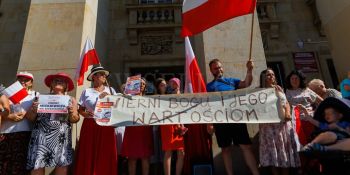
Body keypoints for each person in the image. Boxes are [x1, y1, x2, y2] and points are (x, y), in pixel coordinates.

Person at [206, 59, 259, 175]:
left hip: (236, 119)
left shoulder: (231, 81)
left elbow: (246, 83)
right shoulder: (208, 86)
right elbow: (208, 106)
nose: (219, 69)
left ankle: (256, 173)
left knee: (246, 146)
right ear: (211, 71)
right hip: (220, 121)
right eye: (216, 68)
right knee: (225, 149)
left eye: (220, 67)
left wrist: (250, 70)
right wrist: (209, 123)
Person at [26, 72, 79, 175]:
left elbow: (75, 119)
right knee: (37, 164)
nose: (58, 81)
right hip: (41, 136)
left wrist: (72, 112)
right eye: (55, 80)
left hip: (61, 137)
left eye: (62, 81)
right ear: (51, 85)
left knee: (62, 164)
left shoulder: (71, 100)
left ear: (66, 86)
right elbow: (30, 118)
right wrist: (33, 110)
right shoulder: (40, 98)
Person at [74, 66, 118, 175]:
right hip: (90, 124)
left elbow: (118, 108)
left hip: (106, 125)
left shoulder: (111, 90)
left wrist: (110, 97)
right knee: (88, 151)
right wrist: (85, 113)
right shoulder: (86, 91)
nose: (104, 76)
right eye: (101, 74)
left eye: (104, 74)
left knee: (105, 151)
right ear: (94, 77)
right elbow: (80, 109)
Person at [259, 69, 301, 175]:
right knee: (273, 154)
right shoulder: (258, 91)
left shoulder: (279, 88)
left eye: (273, 74)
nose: (271, 76)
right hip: (269, 127)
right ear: (263, 77)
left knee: (284, 152)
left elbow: (286, 102)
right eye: (268, 75)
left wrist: (287, 113)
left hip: (283, 126)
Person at [0, 72, 39, 175]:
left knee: (21, 165)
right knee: (4, 164)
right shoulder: (6, 94)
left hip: (25, 133)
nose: (23, 81)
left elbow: (35, 118)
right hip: (5, 133)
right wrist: (9, 116)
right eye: (20, 79)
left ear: (31, 83)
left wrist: (26, 112)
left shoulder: (36, 95)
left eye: (26, 80)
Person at [121, 78, 154, 175]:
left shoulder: (149, 100)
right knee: (132, 158)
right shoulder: (128, 98)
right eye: (139, 83)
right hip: (132, 130)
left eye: (143, 84)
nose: (141, 85)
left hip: (145, 130)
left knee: (145, 157)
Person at [285, 70, 323, 145]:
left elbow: (322, 101)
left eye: (296, 78)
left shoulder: (306, 90)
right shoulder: (287, 92)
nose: (294, 80)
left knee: (315, 141)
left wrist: (317, 111)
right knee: (303, 144)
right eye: (292, 79)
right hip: (297, 122)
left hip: (311, 119)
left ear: (300, 80)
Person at [159, 78, 187, 175]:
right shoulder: (165, 94)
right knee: (168, 151)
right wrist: (163, 91)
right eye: (171, 83)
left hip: (178, 125)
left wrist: (182, 125)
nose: (173, 85)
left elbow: (182, 111)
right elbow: (161, 104)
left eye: (175, 83)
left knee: (181, 152)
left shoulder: (181, 95)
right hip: (168, 124)